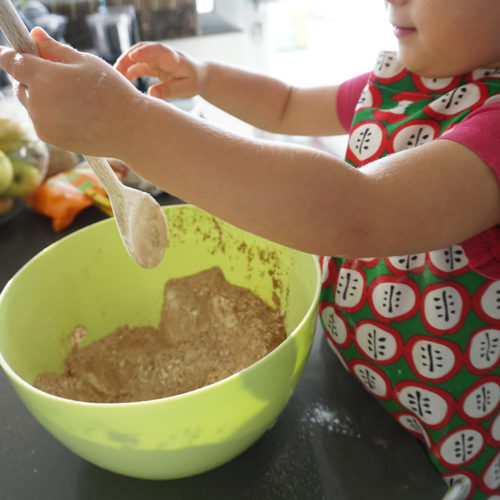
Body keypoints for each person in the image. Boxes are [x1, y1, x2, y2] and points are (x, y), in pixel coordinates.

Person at [0, 0, 499, 497]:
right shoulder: (403, 82)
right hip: (364, 382)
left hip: (457, 437)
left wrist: (128, 123)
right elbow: (286, 103)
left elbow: (360, 212)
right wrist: (206, 75)